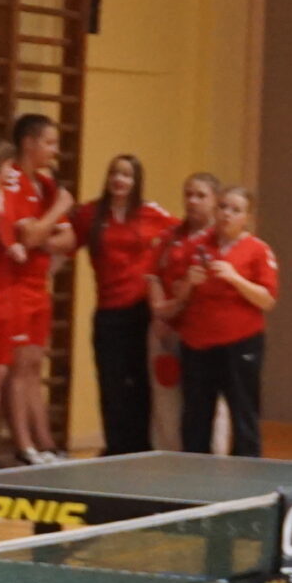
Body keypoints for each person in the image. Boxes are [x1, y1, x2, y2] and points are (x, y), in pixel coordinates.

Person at [0, 115, 73, 467]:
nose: (55, 151)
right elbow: (28, 235)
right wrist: (59, 210)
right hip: (11, 286)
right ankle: (22, 446)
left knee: (31, 367)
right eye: (49, 142)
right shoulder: (13, 181)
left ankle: (44, 443)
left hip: (38, 285)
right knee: (10, 370)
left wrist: (44, 233)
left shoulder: (45, 184)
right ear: (29, 143)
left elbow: (68, 239)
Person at [68, 154, 174, 457]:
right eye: (115, 173)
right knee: (111, 383)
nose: (119, 180)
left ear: (136, 181)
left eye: (127, 175)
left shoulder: (151, 213)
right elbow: (65, 240)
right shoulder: (90, 214)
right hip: (108, 312)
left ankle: (141, 447)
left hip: (140, 310)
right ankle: (115, 447)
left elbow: (181, 237)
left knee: (140, 381)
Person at [177, 186, 275, 457]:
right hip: (198, 344)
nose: (227, 214)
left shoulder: (258, 250)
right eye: (222, 207)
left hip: (240, 343)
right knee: (195, 416)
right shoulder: (197, 246)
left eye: (235, 210)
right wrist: (189, 282)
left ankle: (247, 472)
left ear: (247, 217)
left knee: (242, 413)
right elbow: (179, 294)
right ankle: (193, 472)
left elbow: (267, 299)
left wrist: (235, 278)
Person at [150, 172, 224, 452]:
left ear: (215, 200)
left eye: (200, 195)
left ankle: (215, 463)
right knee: (166, 403)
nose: (192, 201)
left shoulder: (220, 241)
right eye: (188, 194)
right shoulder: (169, 236)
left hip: (204, 333)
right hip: (166, 329)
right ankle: (170, 461)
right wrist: (160, 312)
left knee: (208, 404)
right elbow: (153, 276)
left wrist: (176, 305)